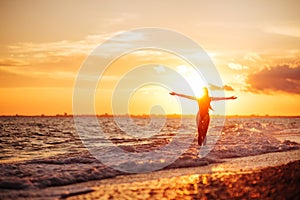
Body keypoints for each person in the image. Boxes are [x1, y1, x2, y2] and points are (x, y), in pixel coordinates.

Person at [170, 87, 237, 146]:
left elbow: (221, 98)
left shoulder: (209, 98)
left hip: (206, 115)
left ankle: (204, 142)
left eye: (205, 92)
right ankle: (199, 139)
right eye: (203, 92)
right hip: (199, 114)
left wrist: (230, 98)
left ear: (207, 92)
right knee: (199, 131)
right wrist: (175, 94)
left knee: (204, 131)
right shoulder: (198, 98)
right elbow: (187, 96)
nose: (204, 93)